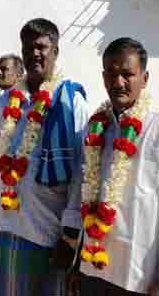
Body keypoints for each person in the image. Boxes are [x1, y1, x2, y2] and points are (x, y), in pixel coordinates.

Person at [0, 18, 87, 296]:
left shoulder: (70, 100)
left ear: (56, 52)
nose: (34, 53)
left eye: (42, 47)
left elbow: (81, 171)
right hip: (4, 225)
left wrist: (70, 235)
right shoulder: (8, 100)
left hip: (45, 230)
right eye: (28, 48)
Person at [77, 37, 159, 296]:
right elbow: (83, 192)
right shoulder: (96, 127)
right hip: (93, 265)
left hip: (137, 272)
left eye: (127, 74)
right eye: (111, 74)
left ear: (144, 78)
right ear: (103, 78)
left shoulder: (155, 130)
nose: (118, 82)